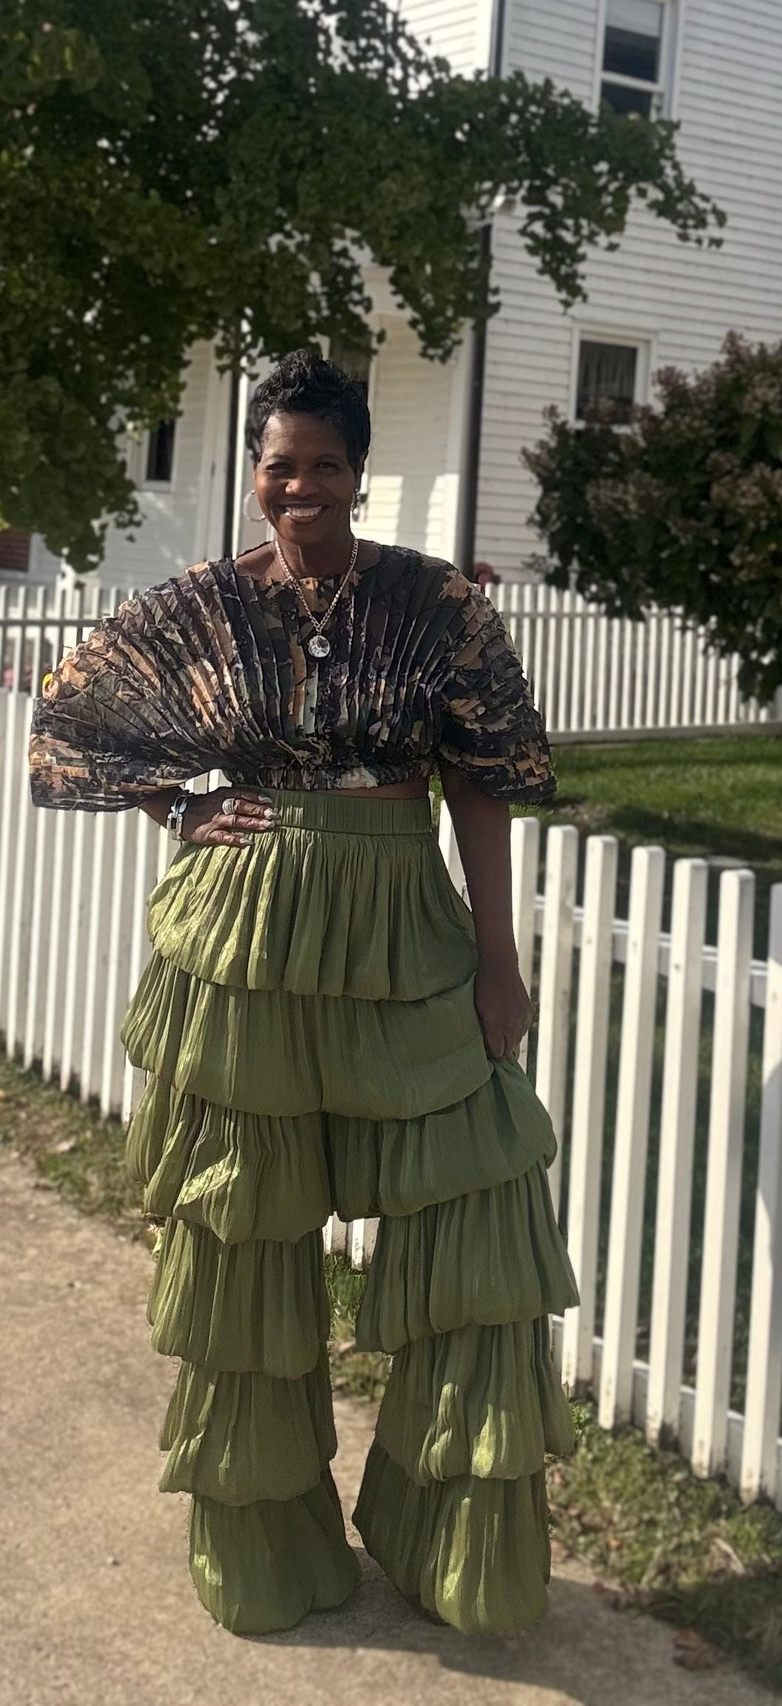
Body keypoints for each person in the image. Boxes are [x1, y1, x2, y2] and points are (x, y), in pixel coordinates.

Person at [29, 350, 578, 1638]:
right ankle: (267, 1556)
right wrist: (179, 807)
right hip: (248, 933)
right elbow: (70, 720)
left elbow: (482, 781)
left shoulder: (438, 606)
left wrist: (498, 958)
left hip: (401, 925)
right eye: (281, 465)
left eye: (326, 464)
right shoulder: (206, 605)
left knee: (478, 1212)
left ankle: (449, 1551)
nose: (302, 486)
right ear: (256, 473)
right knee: (244, 1230)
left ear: (359, 471)